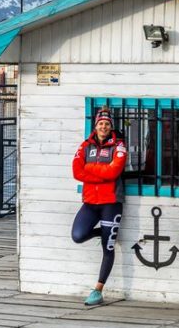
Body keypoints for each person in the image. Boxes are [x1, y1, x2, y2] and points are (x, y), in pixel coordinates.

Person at [71, 107, 127, 306]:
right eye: (100, 123)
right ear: (95, 126)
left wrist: (90, 168)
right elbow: (76, 171)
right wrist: (101, 171)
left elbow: (114, 173)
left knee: (108, 247)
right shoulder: (85, 146)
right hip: (90, 202)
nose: (103, 127)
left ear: (111, 127)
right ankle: (99, 233)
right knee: (77, 235)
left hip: (111, 203)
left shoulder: (119, 146)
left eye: (107, 124)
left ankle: (98, 290)